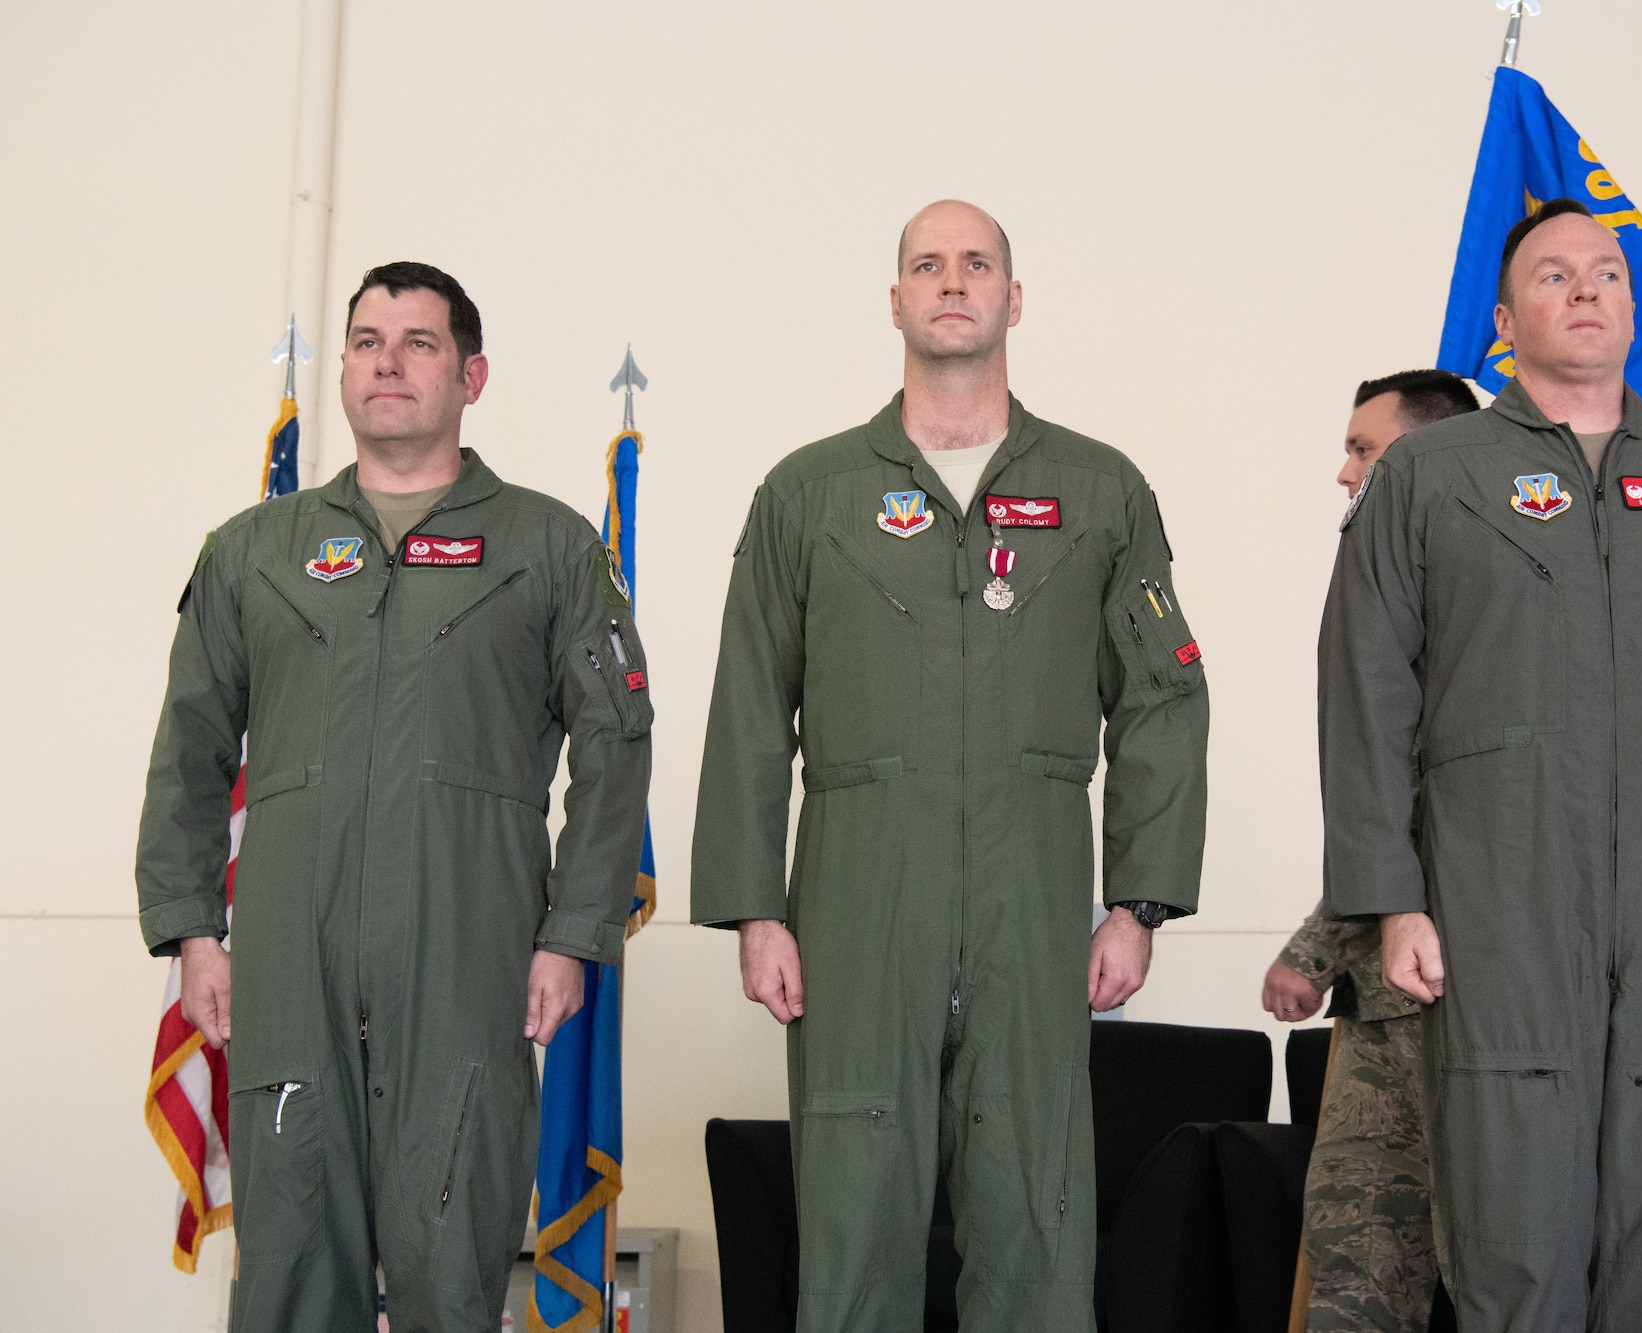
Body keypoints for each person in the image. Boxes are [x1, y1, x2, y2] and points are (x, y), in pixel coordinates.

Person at [690, 200, 1209, 1332]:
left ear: (1013, 300)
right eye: (926, 264)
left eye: (976, 263)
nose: (952, 280)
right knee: (852, 1215)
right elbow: (744, 705)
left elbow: (1163, 698)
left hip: (1030, 884)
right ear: (895, 302)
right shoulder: (808, 492)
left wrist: (1136, 903)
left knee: (1034, 1201)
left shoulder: (1100, 488)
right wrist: (753, 911)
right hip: (854, 890)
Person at [1321, 198, 1642, 1331]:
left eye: (1603, 271)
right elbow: (1362, 692)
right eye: (1552, 275)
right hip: (1496, 887)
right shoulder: (1429, 476)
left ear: (1630, 304)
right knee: (1512, 1215)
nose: (1585, 289)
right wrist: (1389, 899)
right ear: (1503, 319)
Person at [136, 262, 653, 1332]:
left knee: (449, 1261)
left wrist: (574, 931)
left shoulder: (548, 548)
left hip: (471, 957)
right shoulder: (255, 553)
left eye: (418, 342)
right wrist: (190, 928)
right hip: (288, 964)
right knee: (287, 1273)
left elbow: (615, 743)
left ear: (472, 374)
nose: (387, 360)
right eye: (367, 339)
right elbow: (189, 746)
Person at [1263, 368, 1479, 1333]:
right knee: (1356, 1271)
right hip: (1388, 1012)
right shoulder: (1384, 593)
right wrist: (1319, 952)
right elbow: (1390, 814)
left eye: (1364, 449)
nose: (1343, 472)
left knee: (1507, 1276)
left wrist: (1312, 951)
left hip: (1496, 1020)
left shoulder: (1503, 602)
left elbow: (1452, 810)